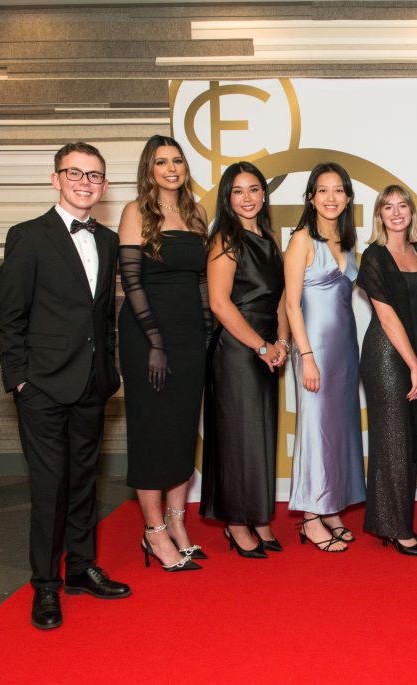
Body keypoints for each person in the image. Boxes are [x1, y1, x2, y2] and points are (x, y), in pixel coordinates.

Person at [0, 141, 130, 630]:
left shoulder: (109, 240)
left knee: (83, 483)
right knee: (50, 487)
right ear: (55, 178)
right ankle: (45, 587)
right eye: (74, 173)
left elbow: (103, 318)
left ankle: (79, 569)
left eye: (94, 175)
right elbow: (10, 318)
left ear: (104, 185)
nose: (84, 182)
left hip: (92, 384)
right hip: (44, 388)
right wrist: (21, 382)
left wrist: (109, 371)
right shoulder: (28, 237)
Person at [118, 135, 209, 572]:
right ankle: (153, 531)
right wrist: (154, 340)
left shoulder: (196, 212)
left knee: (181, 429)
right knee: (152, 429)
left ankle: (177, 521)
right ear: (148, 169)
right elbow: (132, 283)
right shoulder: (137, 212)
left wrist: (206, 334)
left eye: (177, 161)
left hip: (190, 335)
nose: (171, 168)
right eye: (161, 162)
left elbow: (200, 283)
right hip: (147, 337)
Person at [201, 161, 290, 558]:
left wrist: (282, 342)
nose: (247, 198)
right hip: (238, 349)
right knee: (238, 437)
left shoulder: (270, 237)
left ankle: (258, 516)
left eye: (254, 189)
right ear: (228, 197)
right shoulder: (225, 239)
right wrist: (261, 347)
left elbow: (283, 299)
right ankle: (236, 524)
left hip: (268, 346)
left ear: (264, 193)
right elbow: (220, 304)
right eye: (238, 191)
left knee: (260, 435)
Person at [285, 162, 366, 553]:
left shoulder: (349, 242)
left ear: (348, 197)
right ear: (311, 197)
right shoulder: (301, 239)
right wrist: (306, 355)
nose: (331, 198)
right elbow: (291, 304)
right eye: (323, 190)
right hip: (313, 348)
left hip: (345, 349)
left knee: (340, 428)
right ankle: (311, 517)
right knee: (316, 429)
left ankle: (331, 506)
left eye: (338, 190)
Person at [357, 185, 417, 556]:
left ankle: (394, 519)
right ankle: (396, 528)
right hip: (386, 356)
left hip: (414, 354)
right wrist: (413, 366)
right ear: (379, 215)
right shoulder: (374, 256)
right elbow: (387, 317)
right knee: (392, 439)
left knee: (405, 437)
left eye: (402, 205)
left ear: (411, 213)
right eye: (387, 207)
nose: (395, 212)